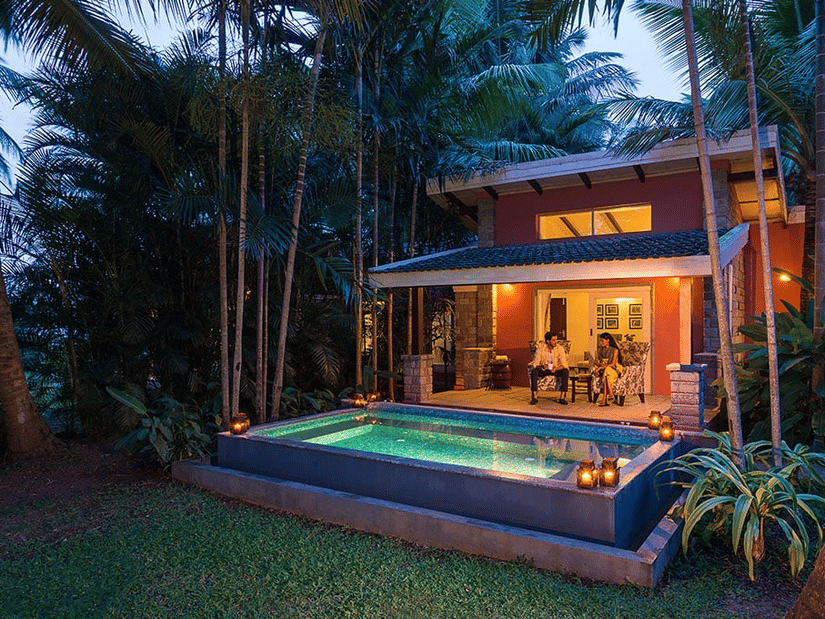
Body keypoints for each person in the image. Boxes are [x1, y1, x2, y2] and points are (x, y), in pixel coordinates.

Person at [530, 332, 569, 405]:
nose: (556, 342)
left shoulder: (559, 348)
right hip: (544, 369)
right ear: (548, 341)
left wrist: (557, 368)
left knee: (565, 371)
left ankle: (562, 397)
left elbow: (564, 364)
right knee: (534, 371)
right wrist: (543, 366)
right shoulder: (541, 348)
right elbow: (535, 362)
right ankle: (534, 397)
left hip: (555, 369)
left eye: (556, 340)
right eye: (553, 340)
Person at [593, 332, 623, 406]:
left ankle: (604, 399)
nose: (601, 342)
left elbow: (612, 364)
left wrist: (601, 367)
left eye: (602, 340)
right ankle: (610, 394)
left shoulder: (615, 350)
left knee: (607, 370)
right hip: (606, 371)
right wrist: (602, 366)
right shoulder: (600, 350)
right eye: (601, 341)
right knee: (607, 375)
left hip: (615, 369)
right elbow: (596, 362)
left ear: (608, 340)